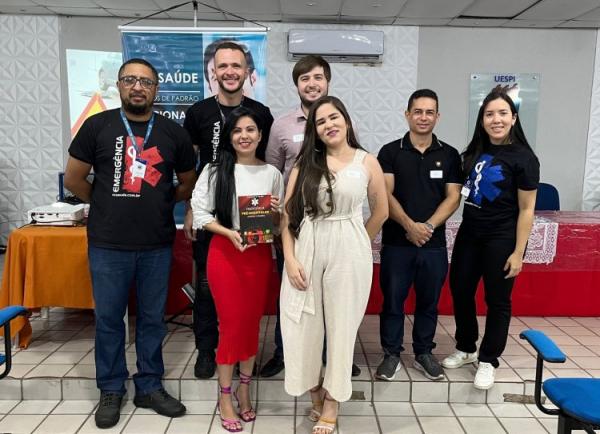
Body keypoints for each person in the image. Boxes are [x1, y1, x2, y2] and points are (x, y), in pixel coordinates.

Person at [64, 58, 196, 428]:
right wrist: (105, 202)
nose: (138, 87)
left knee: (153, 319)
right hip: (107, 244)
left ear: (156, 89)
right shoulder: (97, 126)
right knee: (109, 320)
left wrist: (163, 203)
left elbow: (187, 181)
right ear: (119, 86)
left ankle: (149, 385)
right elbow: (75, 180)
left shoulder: (173, 132)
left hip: (155, 243)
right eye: (130, 80)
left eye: (146, 82)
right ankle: (111, 388)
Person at [280, 96, 388, 434]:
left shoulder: (367, 161)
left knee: (342, 329)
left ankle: (333, 401)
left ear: (346, 120)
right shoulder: (305, 165)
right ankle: (313, 387)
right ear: (314, 130)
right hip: (308, 244)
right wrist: (290, 257)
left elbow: (381, 211)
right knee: (300, 325)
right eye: (320, 121)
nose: (329, 124)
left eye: (334, 117)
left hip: (349, 250)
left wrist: (357, 242)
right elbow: (287, 216)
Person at [183, 41, 274, 379]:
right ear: (213, 72)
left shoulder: (260, 112)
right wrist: (193, 208)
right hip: (212, 215)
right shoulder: (198, 113)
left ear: (247, 72)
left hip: (251, 217)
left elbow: (265, 165)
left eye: (236, 66)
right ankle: (207, 351)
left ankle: (241, 354)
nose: (230, 72)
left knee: (247, 294)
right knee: (207, 287)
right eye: (223, 66)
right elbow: (189, 166)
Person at [190, 107, 284, 432]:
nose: (244, 135)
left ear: (260, 135)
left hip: (258, 258)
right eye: (237, 130)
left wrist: (275, 211)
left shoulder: (272, 173)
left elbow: (276, 223)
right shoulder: (216, 171)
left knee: (251, 325)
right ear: (230, 137)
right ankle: (225, 395)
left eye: (251, 130)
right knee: (231, 326)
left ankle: (245, 389)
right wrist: (229, 233)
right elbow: (200, 213)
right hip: (225, 255)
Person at [442, 90, 539, 390]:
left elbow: (527, 209)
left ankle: (488, 359)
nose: (496, 119)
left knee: (497, 301)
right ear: (482, 120)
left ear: (514, 118)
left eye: (502, 113)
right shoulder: (473, 152)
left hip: (501, 237)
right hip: (470, 234)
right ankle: (467, 347)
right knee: (460, 289)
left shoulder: (524, 158)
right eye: (489, 114)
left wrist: (518, 252)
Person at [376, 89, 462, 381]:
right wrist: (409, 226)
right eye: (418, 111)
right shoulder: (390, 152)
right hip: (397, 243)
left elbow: (453, 197)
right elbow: (384, 194)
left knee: (429, 302)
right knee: (392, 302)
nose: (423, 117)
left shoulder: (449, 155)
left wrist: (426, 228)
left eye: (429, 112)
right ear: (407, 114)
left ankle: (424, 352)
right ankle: (391, 354)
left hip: (433, 245)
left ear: (437, 116)